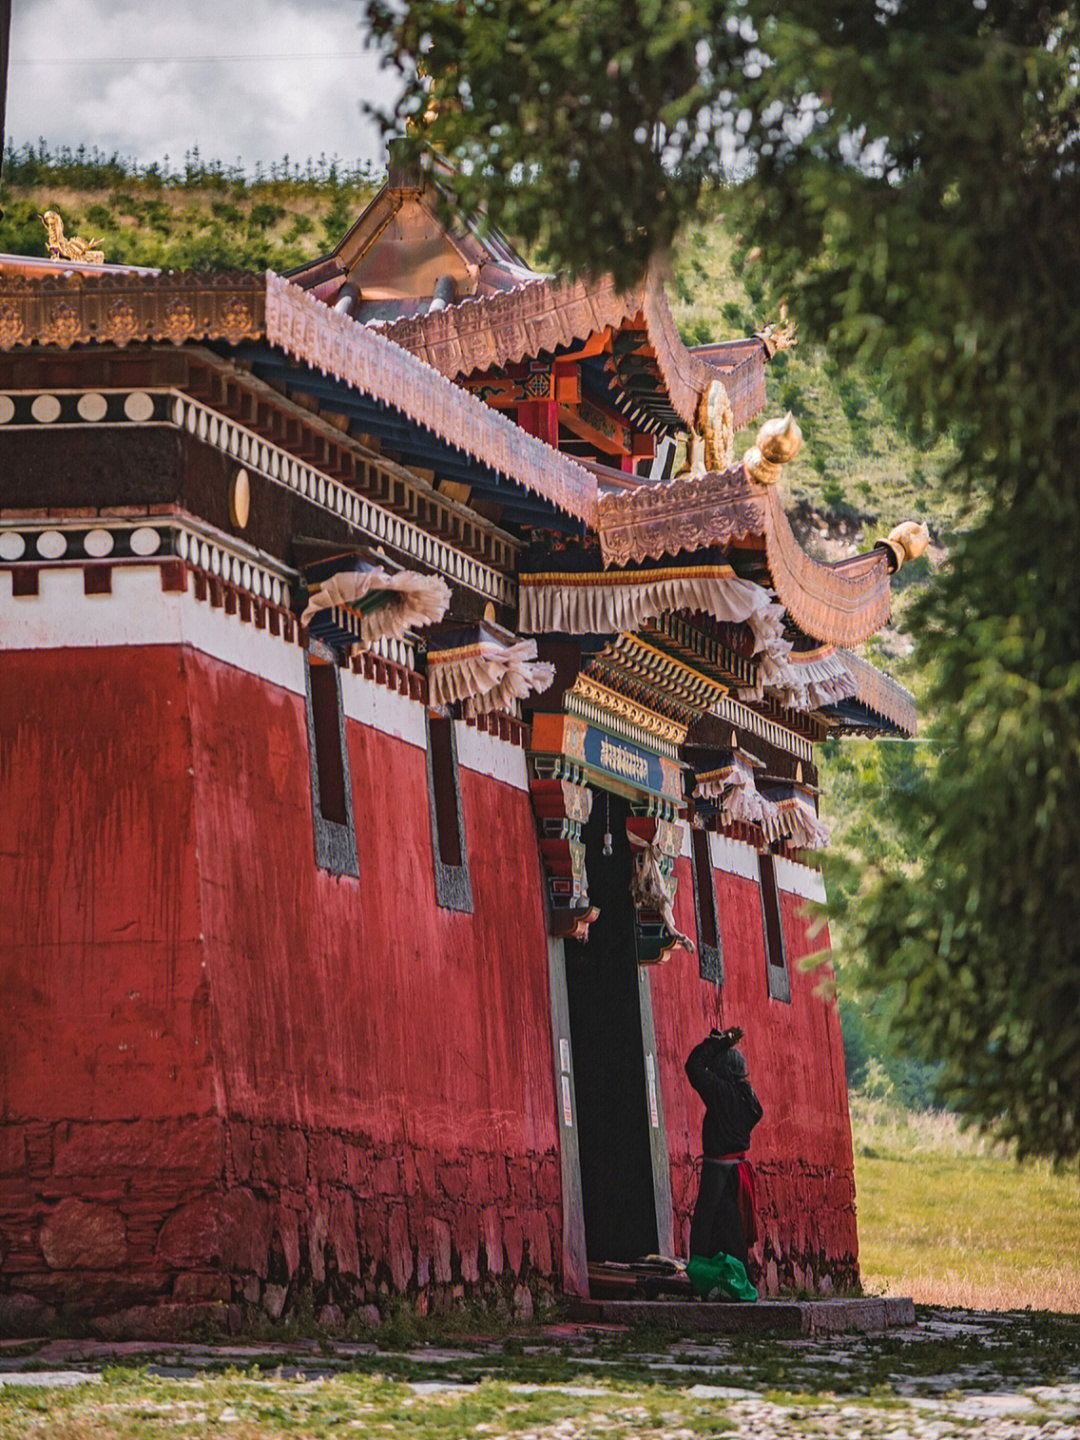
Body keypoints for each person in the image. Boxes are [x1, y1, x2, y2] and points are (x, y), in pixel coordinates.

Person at [685, 1026, 763, 1268]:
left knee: (707, 1227)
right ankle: (734, 1275)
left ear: (722, 1070)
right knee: (733, 1227)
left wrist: (716, 1043)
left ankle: (705, 1276)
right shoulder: (747, 1096)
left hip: (717, 1174)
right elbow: (758, 1113)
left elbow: (694, 1067)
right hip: (738, 1173)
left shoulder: (720, 1092)